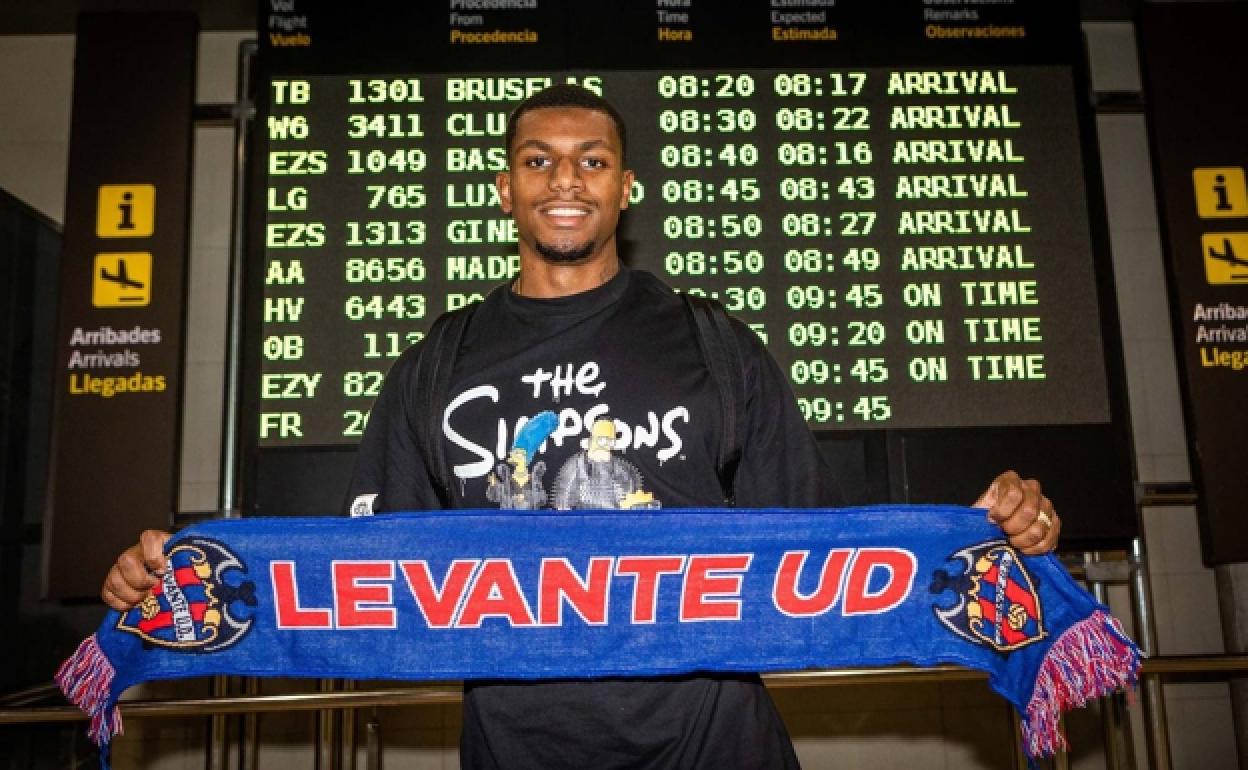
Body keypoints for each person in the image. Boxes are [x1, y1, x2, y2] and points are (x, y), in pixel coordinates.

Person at [102, 84, 1061, 768]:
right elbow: (364, 569)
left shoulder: (712, 341)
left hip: (715, 742)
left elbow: (827, 539)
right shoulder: (439, 359)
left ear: (626, 187)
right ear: (506, 188)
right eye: (540, 161)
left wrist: (991, 537)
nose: (568, 179)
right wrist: (178, 576)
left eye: (593, 160)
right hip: (517, 746)